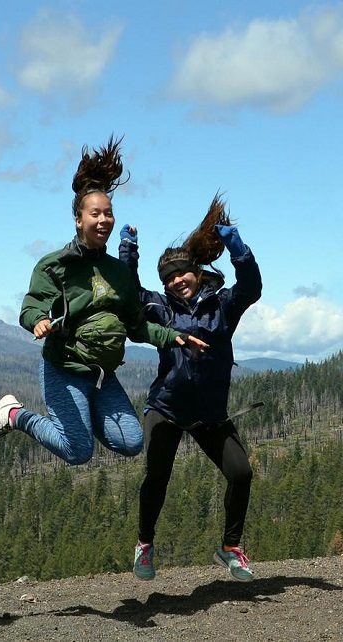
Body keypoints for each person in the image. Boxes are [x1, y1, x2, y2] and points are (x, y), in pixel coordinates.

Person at [0, 136, 208, 466]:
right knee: (78, 451)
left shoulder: (117, 271)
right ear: (79, 219)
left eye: (108, 213)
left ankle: (80, 419)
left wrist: (175, 338)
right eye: (95, 213)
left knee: (131, 442)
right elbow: (31, 307)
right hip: (65, 368)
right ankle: (15, 415)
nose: (103, 220)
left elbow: (136, 325)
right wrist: (38, 321)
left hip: (102, 374)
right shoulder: (56, 265)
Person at [120, 195, 262, 582]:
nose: (175, 281)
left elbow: (251, 287)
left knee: (241, 473)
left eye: (181, 273)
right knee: (156, 476)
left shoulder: (223, 306)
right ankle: (145, 544)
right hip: (166, 408)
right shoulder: (160, 308)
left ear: (197, 273)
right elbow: (129, 294)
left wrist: (238, 249)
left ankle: (231, 548)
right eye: (168, 277)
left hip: (209, 415)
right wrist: (128, 254)